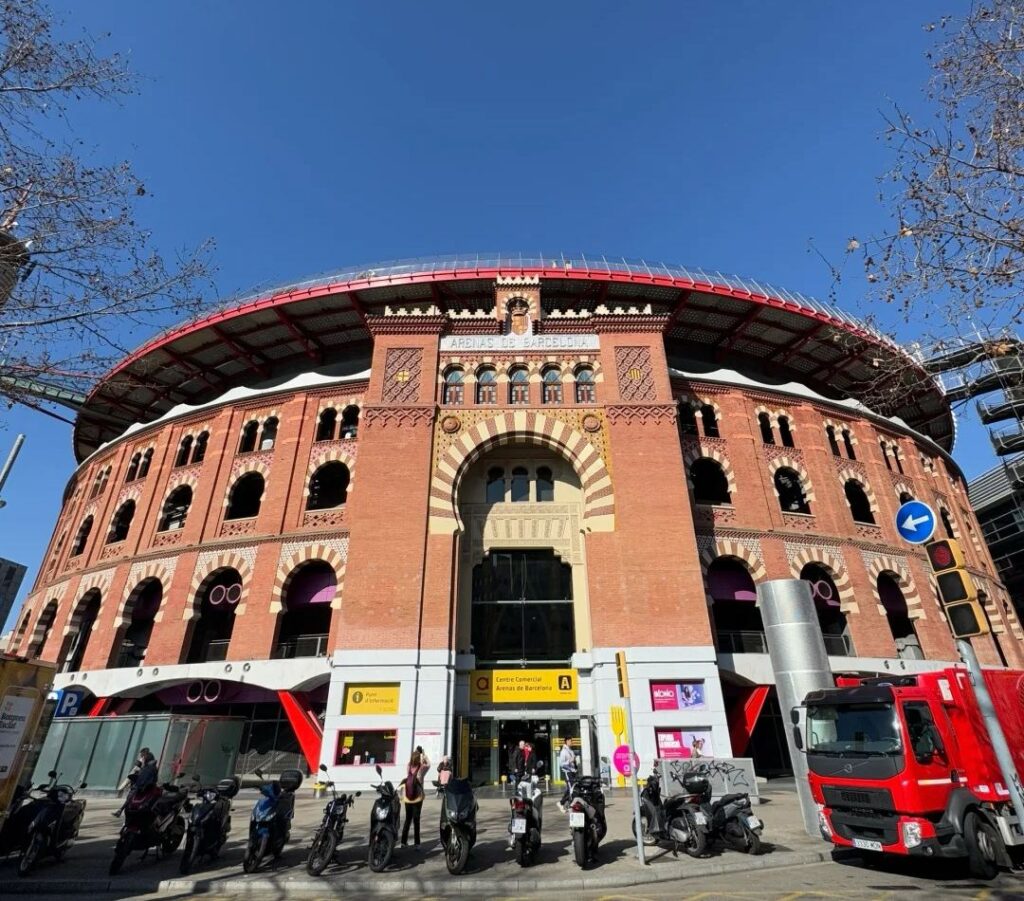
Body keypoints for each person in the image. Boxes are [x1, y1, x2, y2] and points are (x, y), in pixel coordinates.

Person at [400, 746, 431, 847]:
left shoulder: (408, 766)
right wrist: (424, 755)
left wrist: (416, 753)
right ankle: (417, 844)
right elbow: (429, 764)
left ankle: (403, 842)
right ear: (419, 759)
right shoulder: (421, 768)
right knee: (416, 820)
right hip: (418, 797)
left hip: (408, 797)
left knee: (408, 819)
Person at [113, 747, 157, 817]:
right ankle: (121, 810)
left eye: (142, 754)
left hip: (143, 787)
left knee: (132, 796)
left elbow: (148, 777)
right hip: (140, 784)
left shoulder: (149, 767)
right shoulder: (147, 765)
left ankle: (121, 810)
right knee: (131, 797)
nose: (142, 756)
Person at [557, 738, 577, 812]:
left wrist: (575, 764)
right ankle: (562, 803)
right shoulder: (564, 751)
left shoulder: (570, 750)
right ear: (566, 742)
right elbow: (561, 764)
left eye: (571, 741)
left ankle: (566, 804)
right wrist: (569, 761)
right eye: (570, 741)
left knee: (571, 788)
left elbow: (573, 760)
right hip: (568, 772)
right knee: (571, 789)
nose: (571, 742)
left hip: (573, 771)